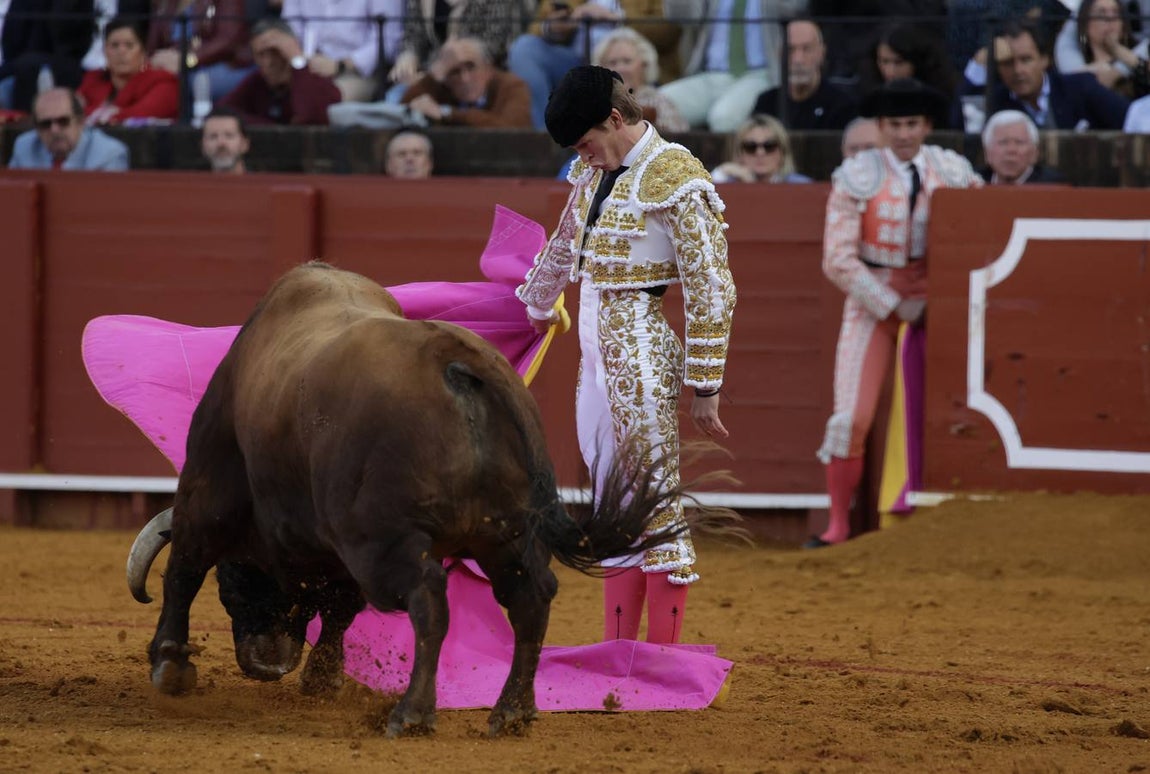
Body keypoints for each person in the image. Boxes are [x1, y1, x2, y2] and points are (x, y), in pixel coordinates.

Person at [516, 66, 736, 644]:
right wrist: (533, 309)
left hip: (639, 351)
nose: (583, 156)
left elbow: (712, 286)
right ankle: (619, 652)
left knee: (654, 499)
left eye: (586, 143)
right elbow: (565, 243)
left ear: (616, 118)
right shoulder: (594, 173)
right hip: (596, 356)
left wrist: (705, 386)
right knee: (614, 501)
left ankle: (661, 660)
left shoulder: (677, 176)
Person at [811, 78, 982, 549]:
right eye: (895, 125)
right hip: (874, 303)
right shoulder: (857, 174)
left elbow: (982, 228)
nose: (904, 133)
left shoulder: (954, 170)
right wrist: (893, 304)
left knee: (953, 417)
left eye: (912, 124)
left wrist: (939, 298)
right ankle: (839, 527)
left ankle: (942, 524)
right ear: (882, 127)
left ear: (926, 125)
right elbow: (837, 260)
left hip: (937, 306)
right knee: (850, 419)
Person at [507, 1, 679, 130]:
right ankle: (545, 136)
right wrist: (555, 26)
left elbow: (670, 29)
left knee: (624, 64)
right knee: (524, 48)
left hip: (633, 58)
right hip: (576, 63)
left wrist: (619, 19)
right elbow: (538, 24)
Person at [660, 0, 809, 132]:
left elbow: (796, 7)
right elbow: (683, 16)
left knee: (724, 117)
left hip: (759, 74)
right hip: (711, 74)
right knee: (655, 106)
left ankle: (728, 164)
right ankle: (673, 162)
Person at [987, 18, 1130, 130]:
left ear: (1044, 59)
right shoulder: (996, 102)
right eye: (1008, 63)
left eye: (1026, 60)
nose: (1018, 70)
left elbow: (1132, 120)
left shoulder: (1081, 88)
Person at [219, 17, 341, 125]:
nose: (268, 62)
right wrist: (272, 127)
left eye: (275, 52)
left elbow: (310, 119)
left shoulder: (315, 80)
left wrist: (297, 61)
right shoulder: (257, 81)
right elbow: (219, 114)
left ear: (291, 50)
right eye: (260, 55)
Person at [281, 0, 402, 102]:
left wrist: (340, 65)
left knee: (323, 101)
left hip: (358, 72)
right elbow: (289, 27)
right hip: (305, 63)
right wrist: (302, 57)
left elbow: (388, 41)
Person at [750, 17, 857, 131]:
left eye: (807, 49)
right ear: (780, 55)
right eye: (790, 49)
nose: (798, 60)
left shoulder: (842, 106)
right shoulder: (766, 104)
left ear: (822, 53)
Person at [400, 37, 531, 127]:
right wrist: (434, 74)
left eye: (471, 67)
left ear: (488, 68)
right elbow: (401, 116)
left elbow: (513, 130)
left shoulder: (510, 86)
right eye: (454, 72)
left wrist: (447, 113)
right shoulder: (440, 86)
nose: (465, 78)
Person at [147, 0, 256, 103]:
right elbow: (153, 45)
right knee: (151, 82)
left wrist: (187, 61)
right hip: (174, 65)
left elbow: (228, 41)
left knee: (197, 82)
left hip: (223, 65)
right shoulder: (167, 4)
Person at [77, 15, 179, 125]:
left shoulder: (164, 82)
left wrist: (97, 114)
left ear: (143, 52)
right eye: (114, 45)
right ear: (104, 52)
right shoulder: (93, 80)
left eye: (129, 45)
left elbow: (142, 114)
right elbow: (71, 113)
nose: (121, 52)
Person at [858, 22, 959, 128]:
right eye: (884, 61)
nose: (890, 71)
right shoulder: (868, 93)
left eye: (899, 62)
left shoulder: (941, 95)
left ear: (916, 62)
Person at [8, 86, 130, 169]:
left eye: (63, 121)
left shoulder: (108, 154)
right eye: (45, 124)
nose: (54, 130)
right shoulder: (24, 147)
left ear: (80, 121)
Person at [593, 26, 687, 134]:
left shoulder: (658, 101)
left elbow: (678, 138)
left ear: (644, 65)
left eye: (627, 61)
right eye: (613, 63)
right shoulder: (594, 103)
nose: (620, 69)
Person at [1054, 0, 1150, 99]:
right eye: (1101, 13)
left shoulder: (1139, 57)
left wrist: (1119, 54)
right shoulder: (1078, 70)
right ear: (1085, 25)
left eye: (1116, 12)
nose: (1110, 18)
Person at [710, 113, 811, 183]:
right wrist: (722, 172)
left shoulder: (800, 185)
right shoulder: (726, 182)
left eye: (769, 146)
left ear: (783, 152)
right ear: (740, 153)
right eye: (751, 147)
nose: (760, 152)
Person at [979, 109, 1065, 184]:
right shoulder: (973, 182)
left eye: (1019, 142)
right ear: (987, 152)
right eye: (1003, 142)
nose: (1011, 150)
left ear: (1035, 153)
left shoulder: (1054, 185)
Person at [200, 105, 249, 174]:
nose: (221, 143)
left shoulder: (263, 183)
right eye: (213, 136)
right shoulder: (189, 184)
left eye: (229, 135)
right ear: (203, 146)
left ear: (244, 144)